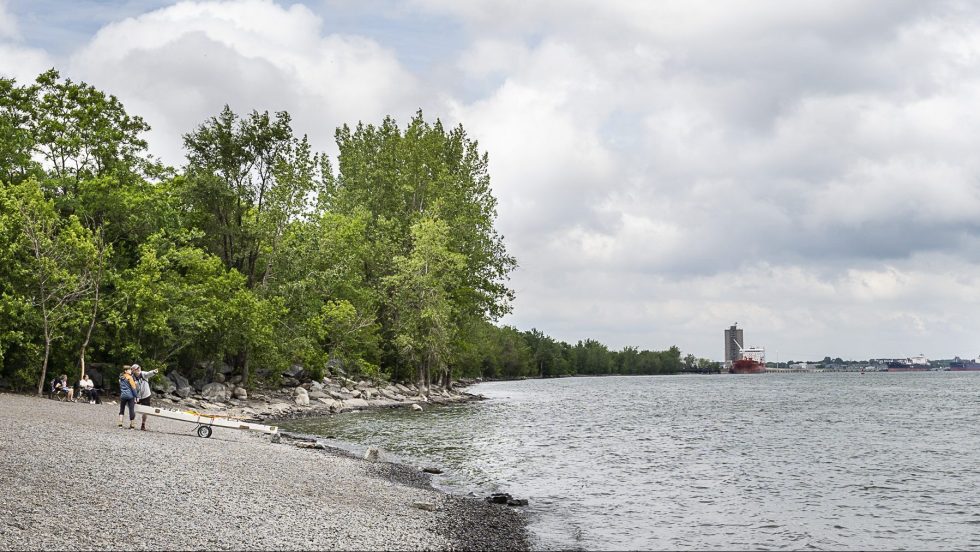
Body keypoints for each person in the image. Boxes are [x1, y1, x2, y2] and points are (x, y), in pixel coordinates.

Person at [131, 364, 158, 431]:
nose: (138, 369)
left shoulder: (143, 374)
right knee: (133, 409)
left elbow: (149, 374)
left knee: (145, 411)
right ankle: (132, 424)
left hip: (146, 395)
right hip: (137, 396)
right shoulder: (131, 377)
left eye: (139, 368)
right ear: (133, 370)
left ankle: (143, 425)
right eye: (136, 369)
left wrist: (154, 372)